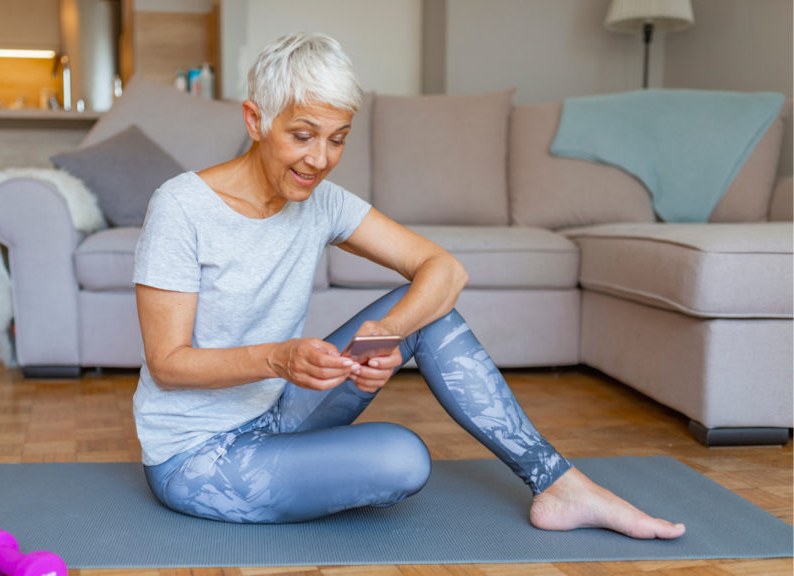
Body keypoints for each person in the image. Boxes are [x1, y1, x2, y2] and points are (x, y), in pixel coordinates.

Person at [132, 31, 685, 539]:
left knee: (428, 310)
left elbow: (445, 269)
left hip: (279, 413)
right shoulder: (182, 207)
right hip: (198, 455)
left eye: (337, 139)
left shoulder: (321, 202)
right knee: (403, 460)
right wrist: (279, 359)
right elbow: (168, 363)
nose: (319, 160)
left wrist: (388, 334)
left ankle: (560, 484)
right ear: (255, 120)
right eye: (302, 136)